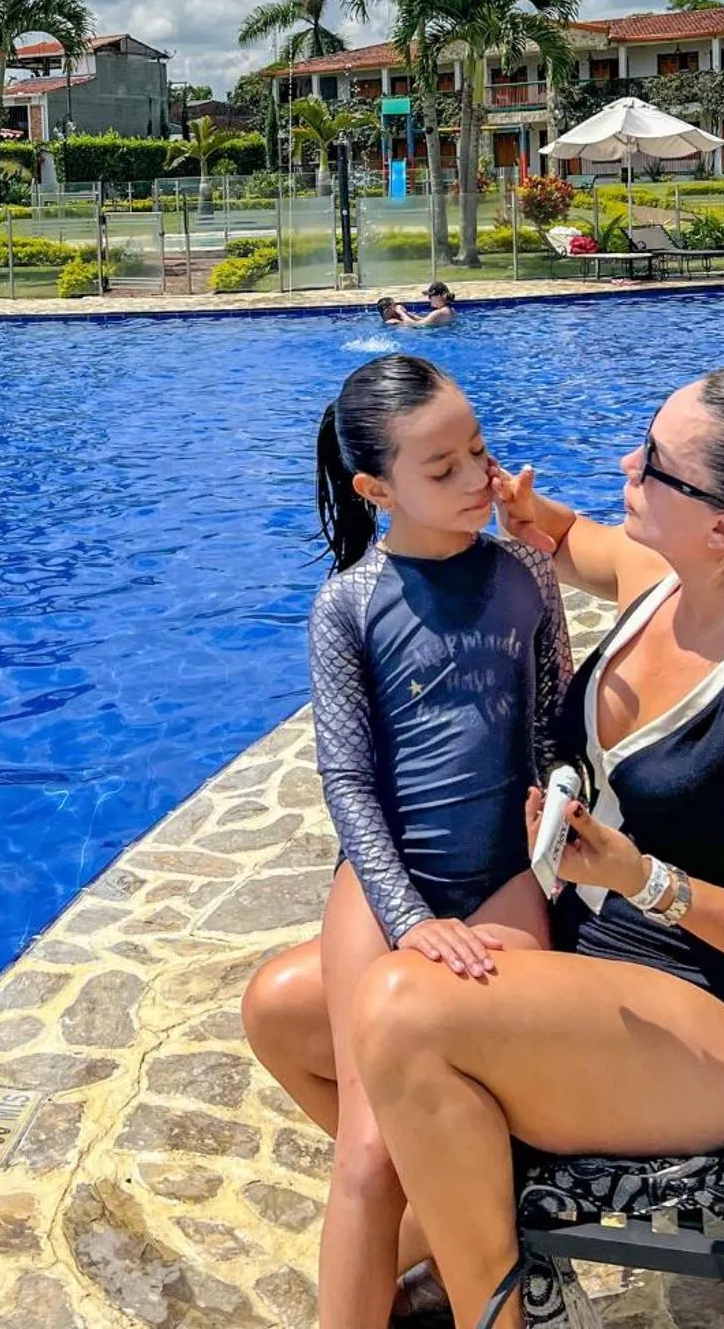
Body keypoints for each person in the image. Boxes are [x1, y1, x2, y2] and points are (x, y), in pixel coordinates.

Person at [348, 369, 724, 1326]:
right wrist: (525, 512)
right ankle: (460, 1225)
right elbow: (567, 540)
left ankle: (492, 1305)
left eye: (653, 463)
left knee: (403, 1015)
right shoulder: (665, 580)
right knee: (286, 1012)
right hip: (603, 960)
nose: (626, 464)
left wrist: (645, 879)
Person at [241, 355, 571, 1329]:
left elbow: (551, 730)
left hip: (503, 875)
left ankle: (442, 1253)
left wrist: (563, 819)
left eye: (478, 451)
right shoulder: (350, 603)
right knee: (371, 1151)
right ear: (376, 488)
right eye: (443, 467)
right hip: (386, 882)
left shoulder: (524, 576)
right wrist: (408, 917)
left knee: (477, 1102)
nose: (477, 476)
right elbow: (347, 781)